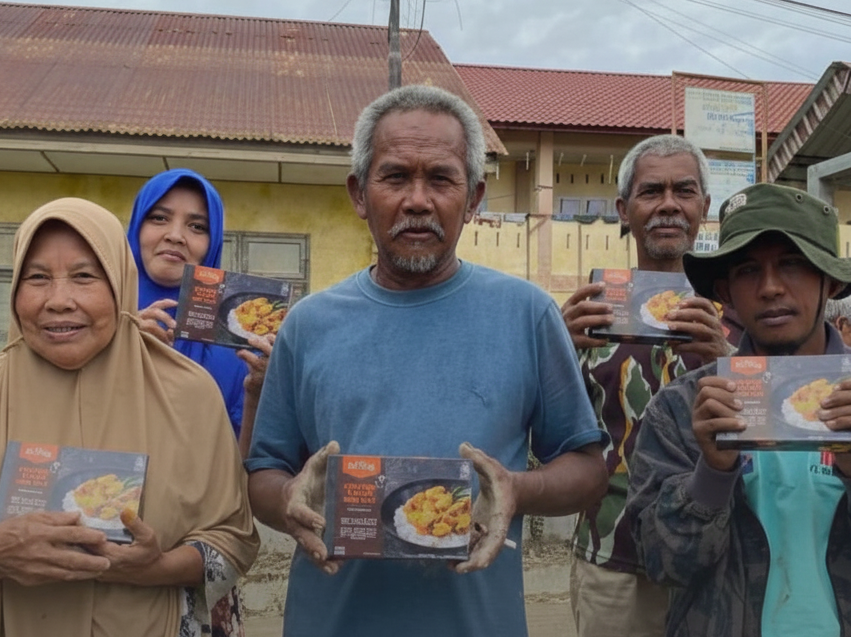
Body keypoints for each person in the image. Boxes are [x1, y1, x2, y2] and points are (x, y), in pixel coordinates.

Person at [244, 84, 609, 637]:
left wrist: (517, 487)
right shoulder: (308, 324)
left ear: (475, 198)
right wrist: (289, 497)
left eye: (440, 178)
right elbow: (264, 474)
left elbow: (587, 470)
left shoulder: (526, 314)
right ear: (360, 194)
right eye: (395, 177)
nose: (418, 199)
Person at [0, 197, 259, 637]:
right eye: (37, 277)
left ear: (119, 281)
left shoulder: (190, 393)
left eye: (83, 277)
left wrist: (156, 567)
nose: (59, 301)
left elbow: (234, 540)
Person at [627, 182, 851, 636]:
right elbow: (662, 565)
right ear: (726, 292)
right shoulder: (683, 409)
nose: (769, 288)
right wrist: (711, 472)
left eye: (792, 264)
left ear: (830, 279)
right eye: (748, 270)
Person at [561, 134, 736, 637]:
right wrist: (557, 349)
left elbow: (774, 439)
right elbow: (542, 431)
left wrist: (726, 362)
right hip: (615, 558)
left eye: (684, 191)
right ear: (623, 209)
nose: (668, 205)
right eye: (650, 191)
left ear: (704, 205)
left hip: (723, 558)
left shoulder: (740, 313)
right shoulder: (591, 313)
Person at [127, 168, 272, 446]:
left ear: (213, 243)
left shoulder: (240, 348)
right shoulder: (94, 319)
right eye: (159, 218)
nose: (175, 235)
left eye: (197, 227)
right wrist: (116, 348)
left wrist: (262, 391)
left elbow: (244, 466)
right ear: (136, 227)